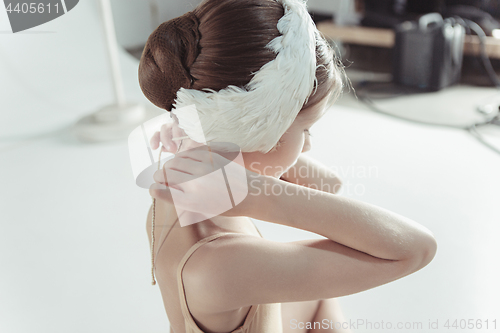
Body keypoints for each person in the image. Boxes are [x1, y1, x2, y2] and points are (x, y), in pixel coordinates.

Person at [137, 0, 438, 332]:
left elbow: (328, 185)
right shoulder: (221, 266)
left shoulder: (188, 174)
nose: (308, 144)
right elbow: (417, 248)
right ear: (263, 131)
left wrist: (210, 139)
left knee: (322, 302)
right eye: (304, 130)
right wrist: (256, 196)